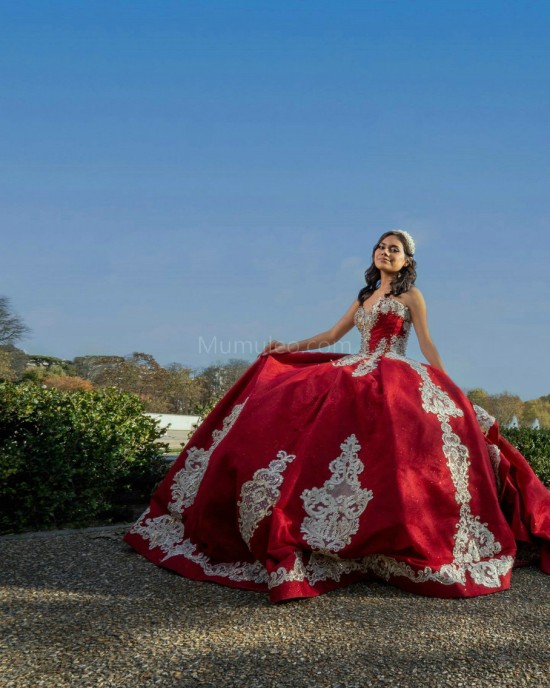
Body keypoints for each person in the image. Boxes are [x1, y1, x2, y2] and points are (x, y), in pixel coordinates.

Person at [124, 230, 550, 602]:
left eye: (395, 249)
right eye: (382, 247)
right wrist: (287, 347)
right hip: (356, 367)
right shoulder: (365, 296)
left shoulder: (411, 296)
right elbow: (331, 335)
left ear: (407, 260)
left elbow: (426, 342)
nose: (386, 253)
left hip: (395, 371)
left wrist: (449, 386)